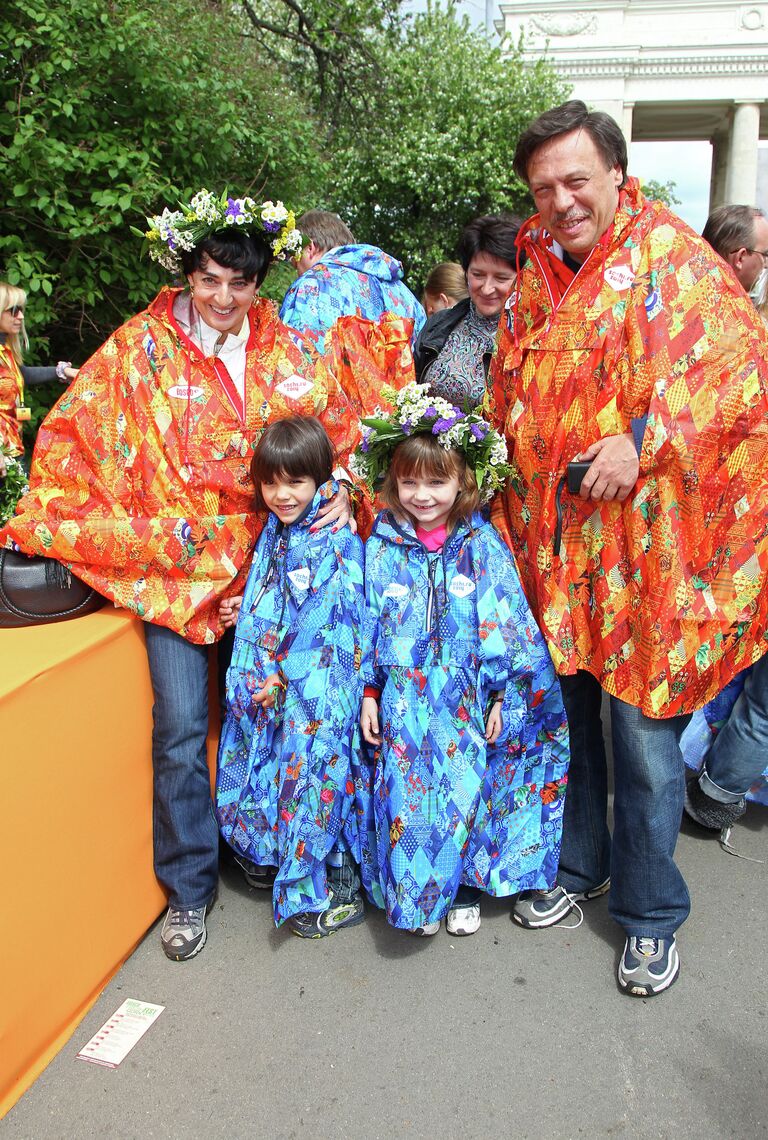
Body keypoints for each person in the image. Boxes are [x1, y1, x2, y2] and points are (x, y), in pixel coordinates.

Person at [1, 190, 360, 962]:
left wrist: (344, 487)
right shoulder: (138, 349)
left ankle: (259, 847)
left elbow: (347, 435)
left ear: (259, 283)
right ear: (187, 276)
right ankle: (189, 890)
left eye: (240, 282)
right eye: (209, 281)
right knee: (180, 730)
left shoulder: (293, 349)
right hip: (176, 577)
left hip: (272, 571)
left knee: (274, 712)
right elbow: (70, 431)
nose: (224, 298)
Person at [485, 100, 768, 996]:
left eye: (576, 180)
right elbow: (507, 388)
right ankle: (581, 867)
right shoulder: (532, 271)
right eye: (544, 188)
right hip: (553, 552)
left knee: (643, 739)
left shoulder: (677, 262)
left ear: (615, 172)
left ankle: (649, 916)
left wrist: (642, 438)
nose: (562, 200)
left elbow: (741, 381)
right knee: (568, 723)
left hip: (649, 556)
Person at [353, 382, 569, 937]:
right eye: (409, 481)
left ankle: (463, 886)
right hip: (403, 697)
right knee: (407, 793)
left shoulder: (481, 544)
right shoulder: (379, 544)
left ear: (463, 480)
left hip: (465, 695)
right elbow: (364, 623)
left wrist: (504, 694)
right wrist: (370, 692)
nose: (422, 495)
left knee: (467, 786)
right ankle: (416, 897)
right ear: (392, 480)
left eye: (436, 481)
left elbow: (509, 626)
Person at [216, 416, 366, 938]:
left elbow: (329, 621)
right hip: (287, 688)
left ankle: (341, 892)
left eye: (295, 482)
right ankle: (292, 867)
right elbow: (279, 598)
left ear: (321, 479)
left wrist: (282, 673)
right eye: (271, 482)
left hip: (320, 691)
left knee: (325, 780)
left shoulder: (332, 537)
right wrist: (250, 609)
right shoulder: (279, 533)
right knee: (294, 780)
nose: (281, 494)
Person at [680, 205, 768, 829]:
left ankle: (701, 777)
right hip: (725, 527)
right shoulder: (727, 329)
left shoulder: (677, 315)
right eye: (763, 254)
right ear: (740, 258)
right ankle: (710, 790)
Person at [279, 209, 425, 353]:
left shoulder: (312, 286)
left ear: (310, 248)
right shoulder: (405, 295)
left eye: (296, 264)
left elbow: (295, 357)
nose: (298, 273)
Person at [413, 215, 520, 409]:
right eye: (477, 275)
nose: (487, 288)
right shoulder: (438, 325)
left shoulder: (528, 337)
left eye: (501, 278)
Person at [0, 281, 78, 474]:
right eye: (13, 310)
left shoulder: (5, 351)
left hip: (12, 449)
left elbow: (20, 374)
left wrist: (61, 371)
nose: (21, 316)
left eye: (21, 309)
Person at [701, 204, 768, 301]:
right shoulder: (731, 313)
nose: (766, 264)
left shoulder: (680, 292)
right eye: (765, 254)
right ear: (740, 258)